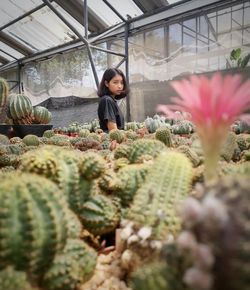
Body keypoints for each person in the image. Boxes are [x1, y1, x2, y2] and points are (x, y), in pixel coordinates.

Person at [97, 68, 129, 132]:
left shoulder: (111, 100)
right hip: (112, 141)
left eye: (122, 83)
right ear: (106, 83)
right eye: (115, 82)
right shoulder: (107, 100)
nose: (120, 86)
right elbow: (113, 131)